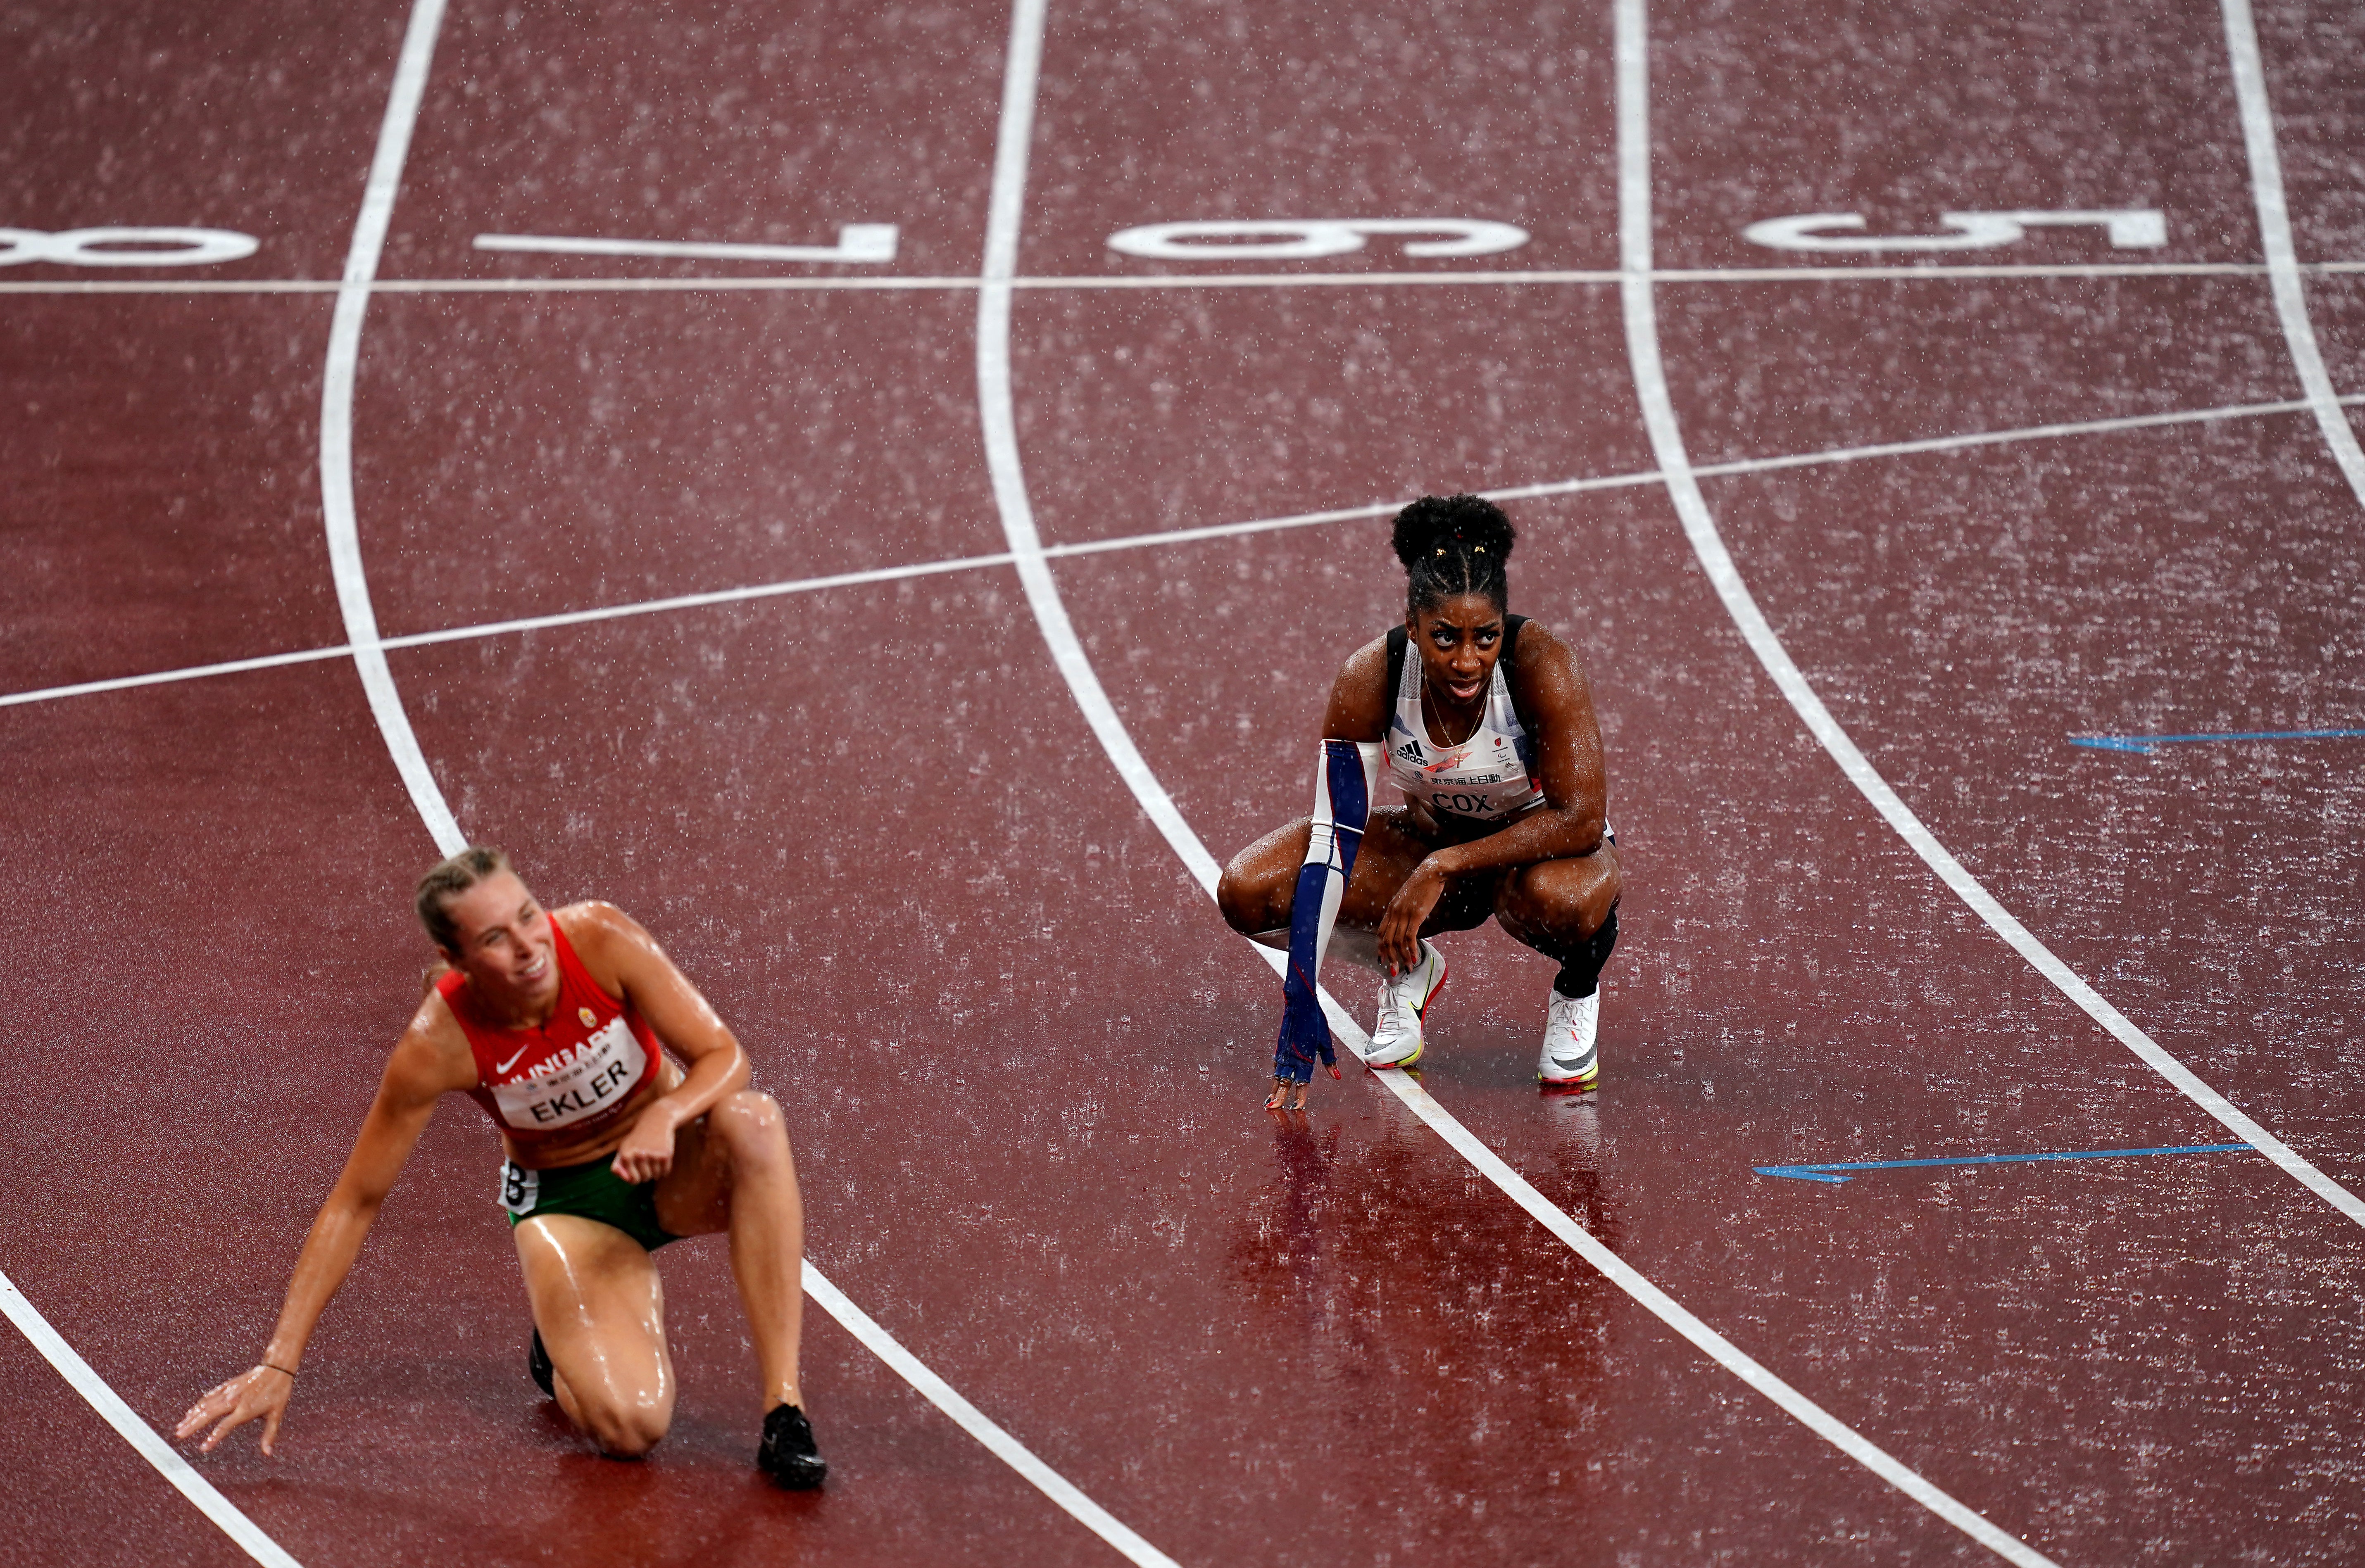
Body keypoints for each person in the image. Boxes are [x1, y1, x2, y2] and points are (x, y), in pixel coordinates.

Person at [175, 847, 826, 1487]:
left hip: (672, 1168)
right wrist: (278, 1364)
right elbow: (355, 1202)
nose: (527, 947)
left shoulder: (601, 937)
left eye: (528, 915)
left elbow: (723, 1056)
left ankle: (784, 1410)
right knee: (631, 1431)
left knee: (755, 1122)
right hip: (571, 1207)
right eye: (494, 937)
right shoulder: (436, 1046)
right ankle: (564, 1340)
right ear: (455, 960)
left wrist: (667, 1114)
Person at [1218, 494, 1621, 1109]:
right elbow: (1334, 838)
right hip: (1430, 847)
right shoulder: (1371, 676)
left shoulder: (1543, 664)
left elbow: (1582, 820)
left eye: (1485, 638)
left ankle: (1577, 991)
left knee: (1564, 902)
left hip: (1534, 855)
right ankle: (1408, 967)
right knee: (1250, 891)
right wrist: (1301, 1000)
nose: (1467, 661)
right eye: (1444, 638)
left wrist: (1447, 865)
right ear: (1412, 627)